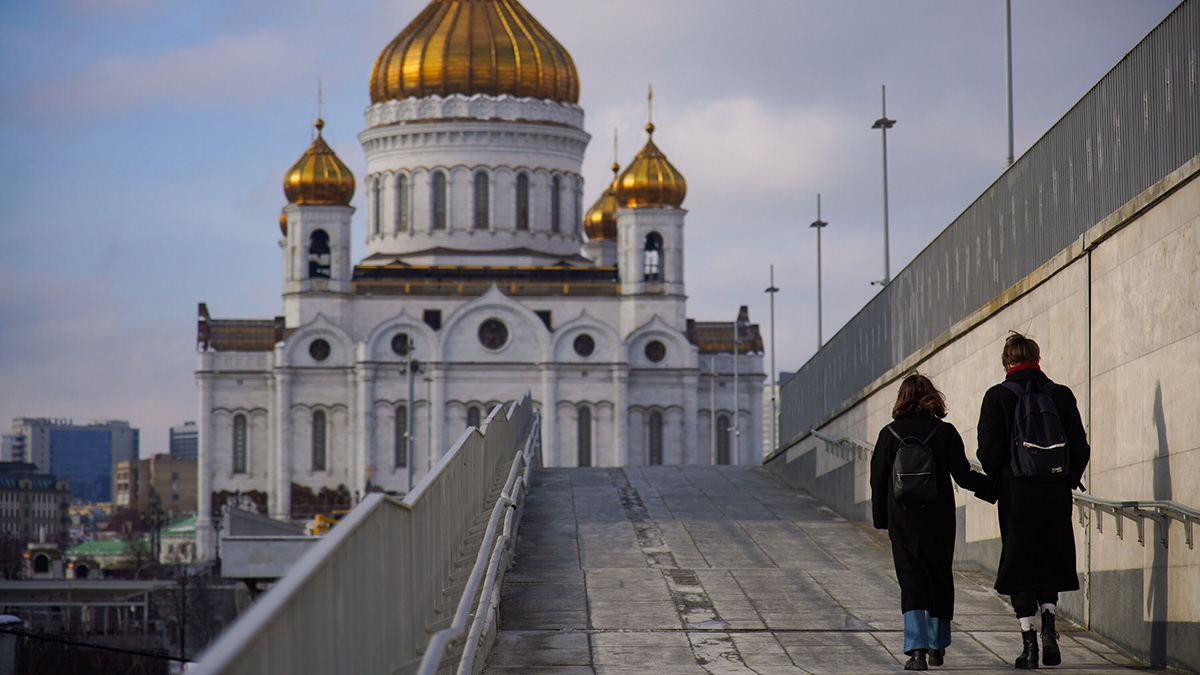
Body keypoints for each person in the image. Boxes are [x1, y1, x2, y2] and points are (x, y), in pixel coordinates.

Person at [977, 331, 1090, 669]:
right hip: (1055, 491)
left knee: (1020, 564)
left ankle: (1029, 644)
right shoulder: (1060, 394)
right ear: (1037, 359)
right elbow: (1080, 447)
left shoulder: (998, 396)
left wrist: (1002, 478)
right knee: (1049, 560)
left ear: (1006, 362)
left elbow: (988, 450)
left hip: (1017, 493)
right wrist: (1066, 479)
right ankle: (1050, 627)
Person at [871, 373, 996, 670]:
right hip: (938, 518)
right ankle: (938, 645)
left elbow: (878, 481)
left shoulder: (888, 433)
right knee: (939, 577)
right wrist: (997, 489)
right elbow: (964, 476)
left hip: (902, 519)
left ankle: (917, 651)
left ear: (902, 398)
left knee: (911, 580)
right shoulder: (945, 432)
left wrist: (882, 520)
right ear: (933, 397)